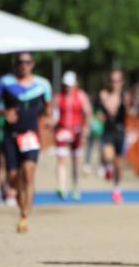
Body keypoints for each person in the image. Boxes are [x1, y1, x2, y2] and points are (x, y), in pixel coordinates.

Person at [0, 52, 52, 233]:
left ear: (32, 64)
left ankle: (24, 215)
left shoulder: (42, 84)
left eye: (27, 62)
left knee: (29, 172)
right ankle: (20, 198)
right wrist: (3, 112)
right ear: (15, 64)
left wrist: (48, 119)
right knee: (14, 178)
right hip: (11, 136)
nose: (24, 65)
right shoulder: (6, 83)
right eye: (20, 62)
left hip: (31, 136)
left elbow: (48, 105)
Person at [52, 70, 91, 201]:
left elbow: (88, 113)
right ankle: (62, 187)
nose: (68, 87)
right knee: (61, 159)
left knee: (76, 160)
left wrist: (85, 127)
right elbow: (52, 113)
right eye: (66, 85)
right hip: (62, 131)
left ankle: (75, 186)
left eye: (70, 85)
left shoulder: (81, 96)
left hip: (77, 131)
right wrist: (53, 126)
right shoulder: (59, 97)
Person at [95, 69, 128, 203]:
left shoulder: (124, 96)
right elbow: (101, 110)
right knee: (108, 156)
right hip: (108, 131)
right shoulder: (104, 94)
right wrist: (99, 114)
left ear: (122, 82)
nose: (115, 83)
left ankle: (117, 189)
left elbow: (122, 112)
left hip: (120, 131)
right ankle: (108, 168)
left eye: (118, 81)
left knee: (118, 164)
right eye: (113, 81)